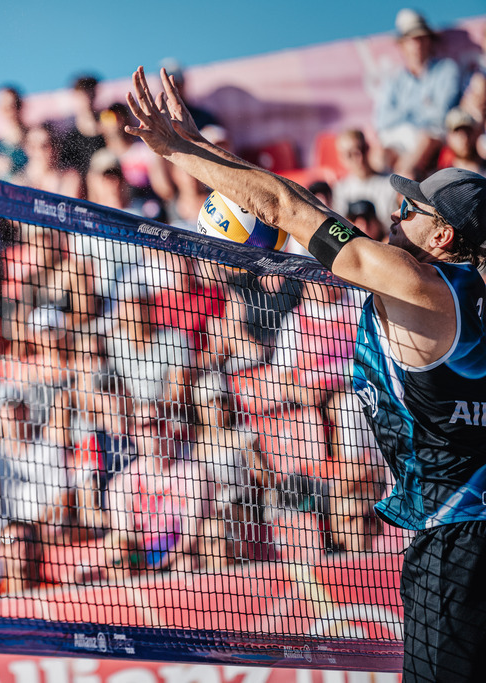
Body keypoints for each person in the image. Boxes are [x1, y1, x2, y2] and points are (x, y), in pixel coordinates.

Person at [125, 63, 486, 683]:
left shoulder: (418, 284)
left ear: (444, 235)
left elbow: (288, 206)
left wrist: (176, 148)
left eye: (415, 209)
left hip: (457, 538)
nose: (399, 213)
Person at [373, 9, 462, 178]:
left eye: (421, 38)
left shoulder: (446, 70)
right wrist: (421, 107)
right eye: (412, 39)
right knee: (378, 158)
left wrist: (403, 113)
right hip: (400, 137)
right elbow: (381, 120)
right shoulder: (394, 80)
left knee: (411, 164)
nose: (417, 44)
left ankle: (399, 193)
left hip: (431, 136)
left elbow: (441, 115)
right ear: (402, 44)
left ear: (429, 40)